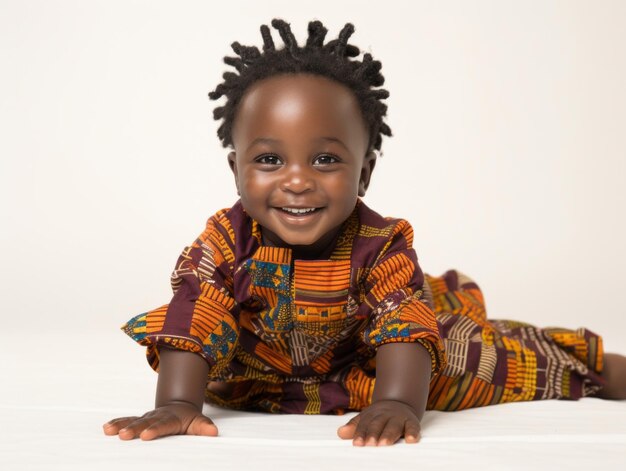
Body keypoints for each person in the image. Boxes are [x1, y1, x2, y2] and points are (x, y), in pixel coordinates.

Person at [102, 18, 626, 447]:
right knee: (214, 356)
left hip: (369, 366)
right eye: (269, 160)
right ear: (237, 168)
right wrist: (176, 403)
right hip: (261, 381)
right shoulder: (225, 241)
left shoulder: (379, 246)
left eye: (326, 159)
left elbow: (400, 324)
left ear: (365, 173)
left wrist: (398, 402)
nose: (298, 180)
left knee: (481, 360)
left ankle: (601, 366)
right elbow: (196, 314)